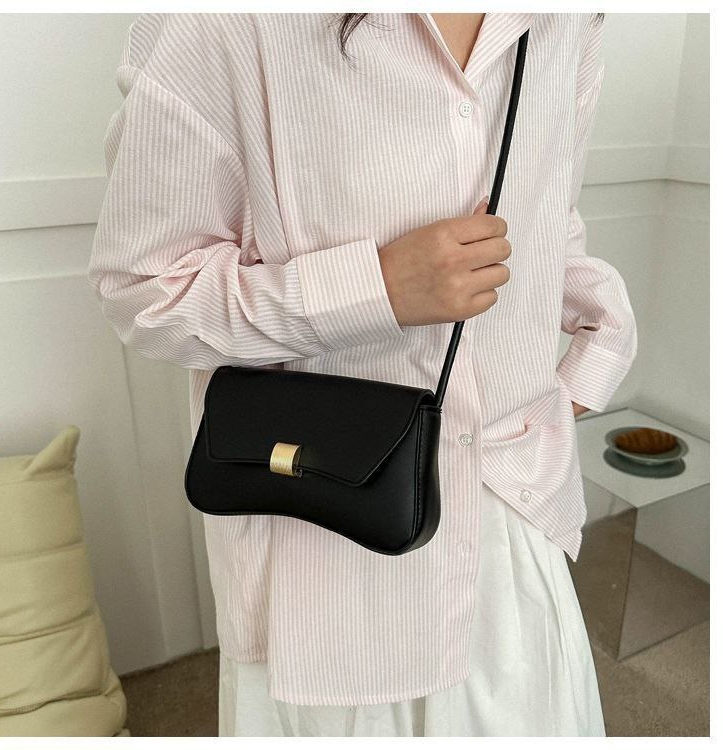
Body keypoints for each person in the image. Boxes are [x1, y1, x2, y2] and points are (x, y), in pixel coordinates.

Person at [88, 12, 637, 737]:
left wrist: (594, 357)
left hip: (514, 507)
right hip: (326, 547)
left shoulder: (565, 18)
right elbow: (146, 292)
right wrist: (375, 288)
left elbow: (547, 218)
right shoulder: (224, 21)